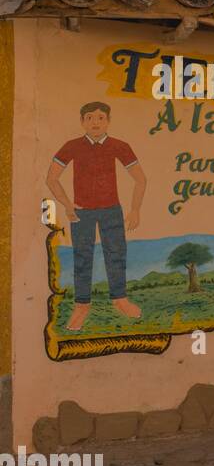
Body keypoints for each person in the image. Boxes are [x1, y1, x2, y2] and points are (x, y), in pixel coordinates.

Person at [45, 101, 147, 332]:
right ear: (82, 122)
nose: (95, 122)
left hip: (112, 210)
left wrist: (135, 209)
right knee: (82, 257)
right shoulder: (71, 146)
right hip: (81, 212)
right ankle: (82, 305)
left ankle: (120, 299)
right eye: (90, 117)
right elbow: (51, 178)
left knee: (116, 255)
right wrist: (67, 205)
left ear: (108, 121)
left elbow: (141, 179)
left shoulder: (120, 146)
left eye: (101, 117)